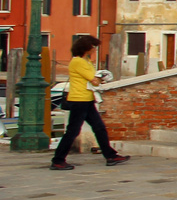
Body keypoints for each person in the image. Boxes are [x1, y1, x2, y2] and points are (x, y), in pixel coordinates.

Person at [49, 36, 129, 170]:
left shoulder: (86, 61)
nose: (95, 50)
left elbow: (94, 79)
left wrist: (99, 79)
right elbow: (94, 80)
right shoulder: (78, 62)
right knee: (72, 131)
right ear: (86, 47)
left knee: (99, 128)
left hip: (87, 99)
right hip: (79, 100)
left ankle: (110, 155)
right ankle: (58, 160)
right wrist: (102, 78)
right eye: (93, 47)